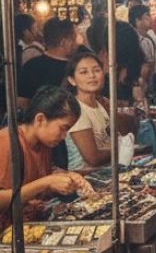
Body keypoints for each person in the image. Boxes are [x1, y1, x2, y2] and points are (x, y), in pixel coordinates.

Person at [1, 87, 92, 229]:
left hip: (28, 227)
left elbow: (34, 184)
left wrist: (64, 179)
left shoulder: (44, 144)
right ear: (40, 119)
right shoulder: (7, 142)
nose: (64, 136)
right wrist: (46, 183)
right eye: (63, 128)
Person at [65, 52, 113, 170]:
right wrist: (121, 149)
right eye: (84, 72)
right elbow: (93, 158)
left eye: (96, 70)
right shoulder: (75, 109)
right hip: (86, 177)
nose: (92, 76)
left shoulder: (100, 104)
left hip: (107, 171)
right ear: (72, 80)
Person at [17, 17, 79, 109]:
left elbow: (22, 103)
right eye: (74, 39)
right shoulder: (78, 68)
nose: (77, 43)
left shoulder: (30, 66)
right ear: (64, 42)